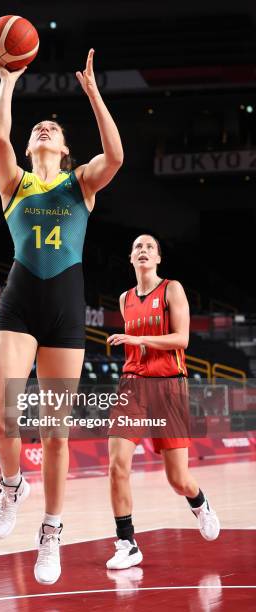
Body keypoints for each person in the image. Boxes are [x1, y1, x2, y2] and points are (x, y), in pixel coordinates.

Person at [0, 47, 123, 585]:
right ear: (30, 145)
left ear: (65, 149)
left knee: (56, 433)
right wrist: (7, 81)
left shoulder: (80, 183)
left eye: (52, 129)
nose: (44, 130)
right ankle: (13, 485)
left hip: (65, 307)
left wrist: (92, 93)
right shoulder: (14, 182)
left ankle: (51, 530)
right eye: (37, 128)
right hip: (20, 301)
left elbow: (114, 157)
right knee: (4, 418)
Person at [106, 234, 220, 570]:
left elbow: (181, 339)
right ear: (131, 258)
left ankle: (199, 503)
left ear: (158, 258)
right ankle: (126, 542)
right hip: (133, 383)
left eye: (149, 247)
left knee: (177, 479)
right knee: (116, 465)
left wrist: (138, 338)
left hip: (169, 384)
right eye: (137, 247)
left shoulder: (172, 289)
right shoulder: (124, 298)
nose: (143, 251)